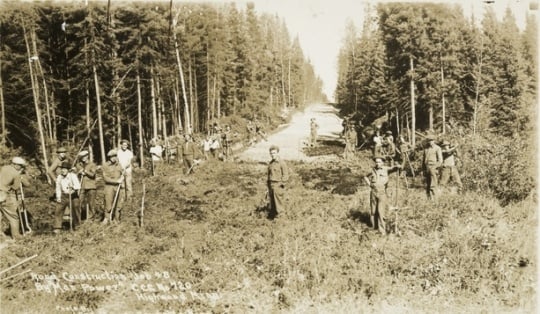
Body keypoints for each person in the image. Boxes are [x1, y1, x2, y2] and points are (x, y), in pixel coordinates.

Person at [363, 156, 402, 235]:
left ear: (383, 162)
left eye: (379, 162)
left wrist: (398, 166)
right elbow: (365, 176)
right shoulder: (372, 170)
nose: (378, 163)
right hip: (373, 192)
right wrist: (369, 184)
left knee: (381, 212)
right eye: (376, 162)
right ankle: (374, 228)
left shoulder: (386, 169)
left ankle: (382, 231)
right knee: (373, 211)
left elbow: (394, 168)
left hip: (382, 193)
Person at [0, 157, 31, 240]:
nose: (21, 168)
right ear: (16, 165)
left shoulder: (3, 167)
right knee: (13, 217)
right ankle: (16, 236)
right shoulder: (16, 174)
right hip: (3, 195)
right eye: (21, 166)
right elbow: (15, 187)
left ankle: (1, 236)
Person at [53, 161, 81, 233]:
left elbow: (78, 186)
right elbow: (58, 188)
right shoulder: (59, 177)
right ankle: (57, 227)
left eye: (65, 169)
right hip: (64, 195)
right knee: (58, 209)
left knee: (75, 207)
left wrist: (73, 188)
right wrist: (58, 197)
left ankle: (77, 225)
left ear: (68, 170)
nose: (63, 170)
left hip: (73, 195)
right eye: (62, 169)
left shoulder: (72, 176)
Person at [102, 149, 125, 224]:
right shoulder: (105, 165)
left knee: (118, 204)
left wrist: (122, 177)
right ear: (109, 157)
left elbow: (122, 174)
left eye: (115, 156)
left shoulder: (119, 165)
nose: (114, 158)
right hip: (109, 187)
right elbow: (105, 178)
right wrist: (116, 181)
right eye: (112, 156)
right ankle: (107, 218)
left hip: (118, 187)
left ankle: (116, 219)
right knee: (108, 203)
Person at [267, 145, 289, 219]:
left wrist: (280, 185)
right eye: (271, 153)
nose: (272, 154)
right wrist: (268, 186)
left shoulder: (282, 163)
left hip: (278, 185)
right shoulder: (271, 163)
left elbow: (285, 175)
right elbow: (269, 175)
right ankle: (273, 218)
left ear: (277, 153)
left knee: (279, 203)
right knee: (272, 203)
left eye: (274, 153)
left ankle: (281, 219)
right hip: (271, 185)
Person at [76, 150, 97, 221]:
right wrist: (79, 173)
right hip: (81, 186)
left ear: (87, 156)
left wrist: (85, 171)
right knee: (78, 202)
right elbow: (75, 176)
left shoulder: (92, 164)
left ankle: (91, 219)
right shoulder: (79, 165)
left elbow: (93, 174)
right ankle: (78, 218)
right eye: (82, 157)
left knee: (91, 204)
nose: (84, 158)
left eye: (85, 156)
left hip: (91, 186)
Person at [422, 135, 443, 200]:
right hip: (427, 167)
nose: (430, 142)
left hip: (433, 167)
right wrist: (423, 170)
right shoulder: (426, 149)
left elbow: (440, 160)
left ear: (434, 141)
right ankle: (429, 200)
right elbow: (423, 160)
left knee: (433, 185)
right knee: (428, 185)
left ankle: (435, 200)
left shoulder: (437, 148)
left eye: (431, 140)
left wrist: (434, 167)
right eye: (429, 141)